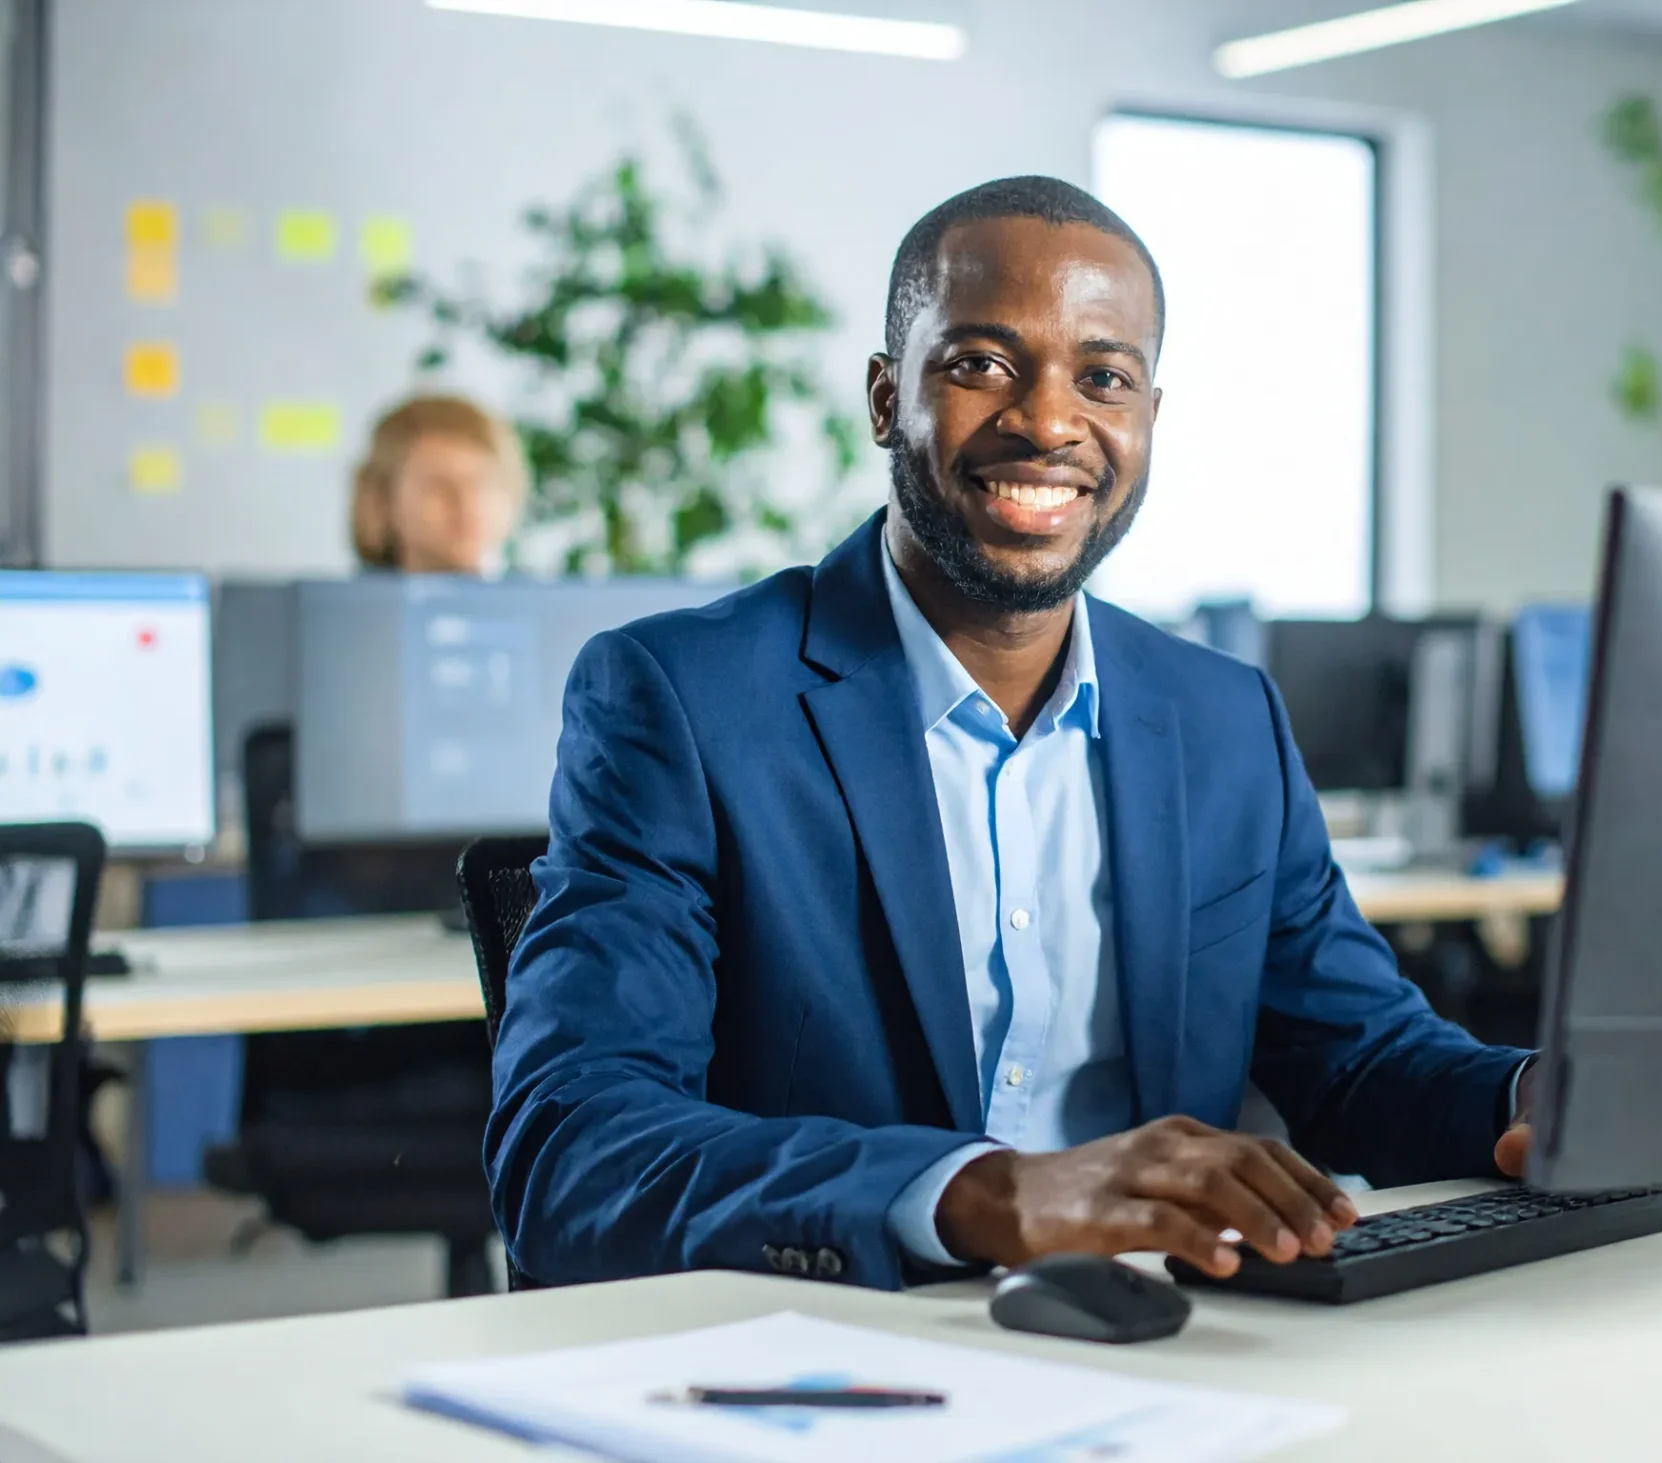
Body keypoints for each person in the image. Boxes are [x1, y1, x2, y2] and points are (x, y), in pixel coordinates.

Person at [488, 177, 1535, 1292]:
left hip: (1176, 1351)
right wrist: (983, 1192)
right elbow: (572, 1150)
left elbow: (1362, 1061)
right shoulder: (685, 699)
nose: (1047, 420)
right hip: (833, 1356)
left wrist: (1533, 1098)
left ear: (1147, 420)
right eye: (981, 363)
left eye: (1103, 377)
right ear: (888, 399)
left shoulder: (1222, 720)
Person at [348, 394, 527, 575]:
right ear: (383, 500)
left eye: (481, 483)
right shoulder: (346, 602)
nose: (466, 502)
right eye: (437, 485)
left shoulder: (540, 599)